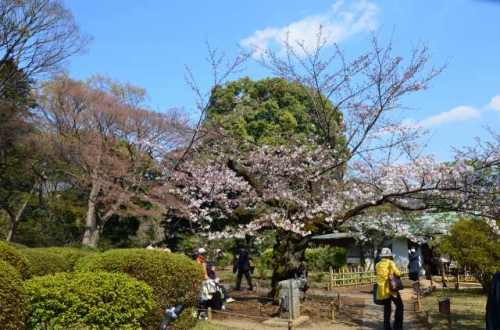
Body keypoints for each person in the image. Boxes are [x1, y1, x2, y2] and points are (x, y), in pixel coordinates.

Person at [376, 247, 404, 330]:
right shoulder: (390, 262)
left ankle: (386, 327)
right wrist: (401, 273)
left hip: (382, 290)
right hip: (391, 289)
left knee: (387, 308)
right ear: (389, 255)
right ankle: (397, 326)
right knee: (400, 306)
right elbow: (398, 273)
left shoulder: (377, 265)